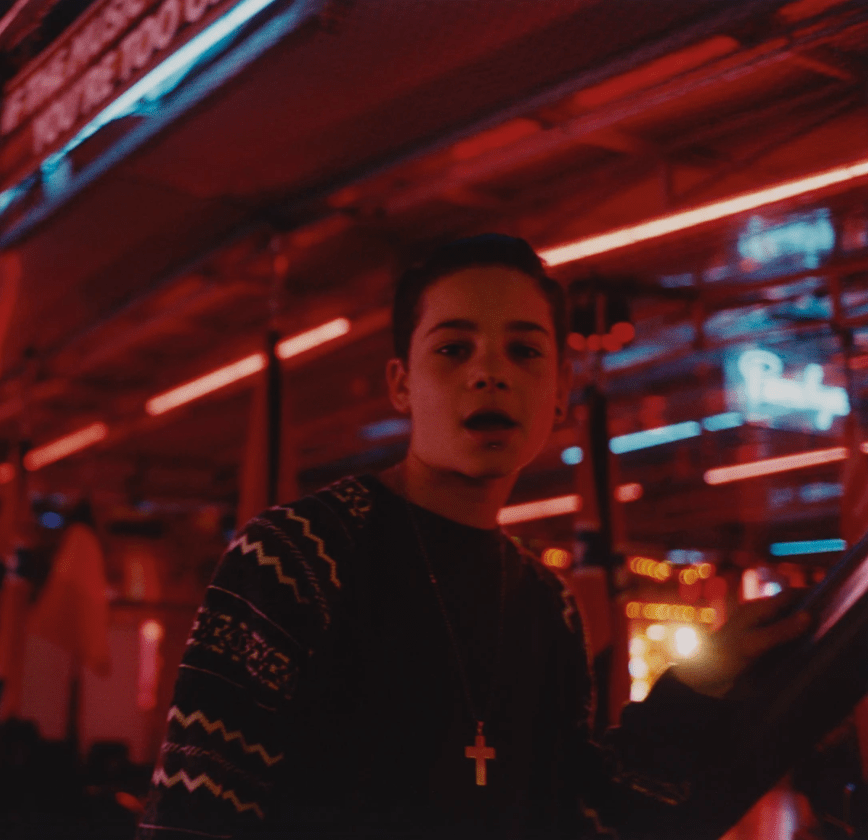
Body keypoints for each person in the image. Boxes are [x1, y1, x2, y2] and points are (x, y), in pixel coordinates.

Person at [136, 234, 811, 840]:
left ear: (558, 391)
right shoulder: (297, 556)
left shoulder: (548, 605)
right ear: (401, 384)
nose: (489, 373)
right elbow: (193, 815)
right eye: (453, 349)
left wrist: (709, 674)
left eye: (524, 350)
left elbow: (578, 810)